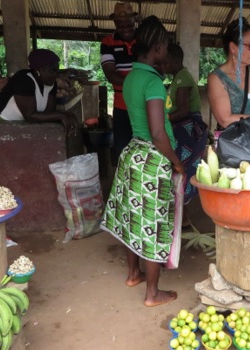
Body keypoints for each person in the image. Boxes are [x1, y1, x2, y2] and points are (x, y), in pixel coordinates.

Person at [100, 15, 184, 307]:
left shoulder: (132, 77)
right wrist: (176, 162)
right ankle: (152, 293)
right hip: (152, 159)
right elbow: (159, 133)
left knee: (132, 219)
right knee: (153, 224)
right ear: (159, 46)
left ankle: (133, 274)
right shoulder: (153, 82)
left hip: (132, 154)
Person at [0, 49, 77, 132]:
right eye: (52, 71)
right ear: (39, 70)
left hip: (16, 125)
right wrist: (60, 115)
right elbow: (30, 116)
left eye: (57, 70)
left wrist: (65, 115)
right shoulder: (24, 80)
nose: (56, 75)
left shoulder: (51, 84)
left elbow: (49, 112)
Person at [163, 43, 209, 212]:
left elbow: (183, 110)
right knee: (182, 170)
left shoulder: (183, 78)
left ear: (175, 61)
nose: (162, 65)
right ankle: (181, 215)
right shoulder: (178, 78)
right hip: (182, 127)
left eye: (165, 62)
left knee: (184, 169)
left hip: (188, 128)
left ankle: (184, 216)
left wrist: (164, 119)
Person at [100, 2, 138, 166]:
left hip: (144, 105)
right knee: (122, 150)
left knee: (144, 149)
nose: (125, 28)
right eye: (120, 25)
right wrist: (140, 85)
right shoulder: (107, 42)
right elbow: (111, 75)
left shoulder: (143, 38)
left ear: (134, 21)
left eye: (128, 24)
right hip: (122, 106)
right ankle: (122, 186)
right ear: (115, 23)